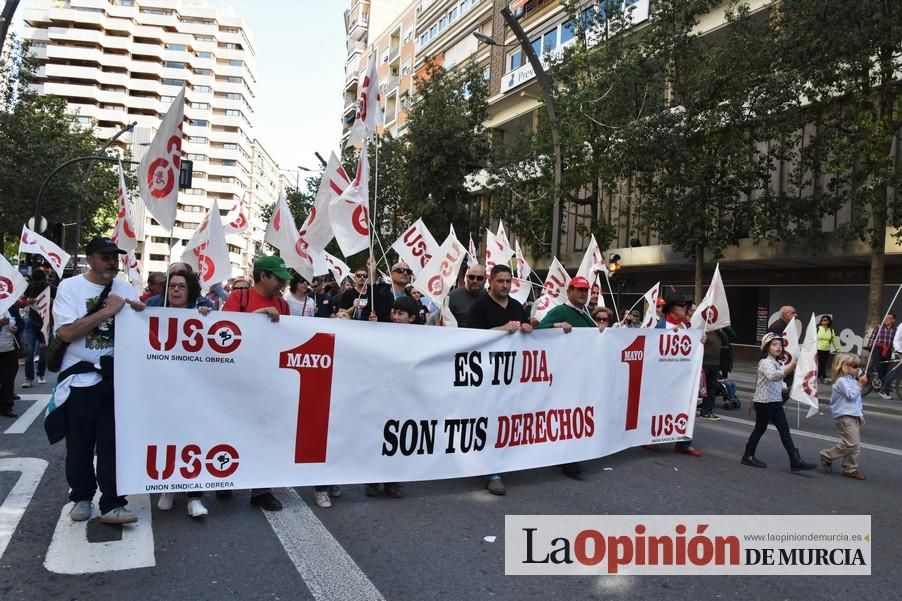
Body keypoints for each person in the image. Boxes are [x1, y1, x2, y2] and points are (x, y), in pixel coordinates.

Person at [52, 237, 145, 524]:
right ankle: (81, 497)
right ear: (90, 259)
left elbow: (138, 328)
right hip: (80, 379)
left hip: (115, 379)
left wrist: (141, 313)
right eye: (105, 257)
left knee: (112, 444)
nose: (112, 262)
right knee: (79, 443)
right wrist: (107, 311)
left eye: (115, 257)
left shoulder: (125, 287)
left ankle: (112, 502)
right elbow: (66, 333)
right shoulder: (70, 288)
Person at [220, 255, 292, 512]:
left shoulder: (283, 304)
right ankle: (223, 476)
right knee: (230, 428)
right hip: (237, 377)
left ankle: (261, 489)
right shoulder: (240, 298)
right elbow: (223, 329)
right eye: (278, 279)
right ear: (263, 276)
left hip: (269, 378)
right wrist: (257, 316)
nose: (282, 285)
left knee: (265, 432)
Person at [466, 264, 533, 495]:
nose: (505, 285)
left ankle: (505, 459)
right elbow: (470, 338)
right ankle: (491, 471)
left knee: (508, 419)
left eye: (508, 281)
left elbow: (527, 331)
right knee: (490, 420)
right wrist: (502, 328)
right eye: (500, 281)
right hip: (487, 376)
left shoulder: (516, 306)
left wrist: (527, 327)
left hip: (512, 376)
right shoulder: (480, 306)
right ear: (490, 282)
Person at [153, 270, 212, 518]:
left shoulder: (203, 314)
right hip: (161, 390)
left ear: (190, 292)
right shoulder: (151, 310)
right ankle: (167, 488)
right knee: (165, 440)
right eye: (172, 286)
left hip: (193, 391)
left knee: (193, 441)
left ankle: (194, 496)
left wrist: (207, 317)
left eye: (181, 287)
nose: (176, 290)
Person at [537, 276, 601, 479]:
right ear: (569, 291)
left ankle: (572, 453)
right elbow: (538, 333)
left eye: (586, 290)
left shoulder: (587, 315)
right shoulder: (560, 312)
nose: (583, 293)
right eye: (579, 290)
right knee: (566, 415)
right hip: (564, 375)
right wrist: (555, 327)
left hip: (582, 374)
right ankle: (565, 457)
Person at [364, 296, 422, 500]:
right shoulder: (383, 333)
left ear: (412, 317)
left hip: (405, 395)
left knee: (397, 437)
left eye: (401, 314)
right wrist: (372, 330)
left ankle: (393, 480)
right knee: (378, 434)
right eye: (394, 313)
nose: (396, 317)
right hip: (383, 393)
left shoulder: (423, 338)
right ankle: (372, 479)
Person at [741, 333, 817, 471]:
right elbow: (774, 376)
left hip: (775, 401)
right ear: (766, 347)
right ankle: (748, 456)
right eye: (774, 344)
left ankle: (795, 461)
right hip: (764, 402)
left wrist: (786, 389)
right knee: (760, 429)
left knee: (784, 430)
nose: (778, 347)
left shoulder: (777, 362)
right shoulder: (765, 362)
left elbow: (779, 381)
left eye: (780, 344)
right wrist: (792, 365)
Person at [654, 291, 703, 457]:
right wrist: (668, 335)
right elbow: (651, 348)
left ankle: (683, 443)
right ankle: (651, 437)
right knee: (658, 407)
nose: (684, 308)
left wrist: (700, 342)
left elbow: (693, 349)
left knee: (686, 407)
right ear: (671, 308)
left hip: (683, 377)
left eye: (685, 306)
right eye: (680, 305)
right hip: (663, 376)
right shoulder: (660, 325)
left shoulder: (688, 326)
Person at [819, 353, 867, 480]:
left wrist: (860, 413)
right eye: (855, 366)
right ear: (845, 366)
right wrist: (860, 384)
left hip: (853, 414)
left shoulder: (852, 380)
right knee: (851, 443)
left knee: (855, 445)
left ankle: (850, 467)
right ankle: (827, 455)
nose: (858, 368)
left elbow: (857, 400)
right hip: (844, 415)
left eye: (859, 366)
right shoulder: (841, 381)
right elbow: (851, 395)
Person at [21, 269, 50, 388]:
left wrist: (51, 301)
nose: (37, 284)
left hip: (45, 324)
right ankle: (29, 378)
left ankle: (41, 374)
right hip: (31, 323)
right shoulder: (29, 287)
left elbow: (60, 301)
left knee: (43, 353)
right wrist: (28, 301)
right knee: (29, 352)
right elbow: (21, 302)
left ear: (44, 279)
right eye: (35, 282)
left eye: (39, 282)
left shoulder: (50, 288)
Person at [699, 328, 728, 421]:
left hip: (715, 364)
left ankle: (707, 411)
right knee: (700, 388)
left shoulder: (719, 332)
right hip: (704, 363)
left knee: (711, 388)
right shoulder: (704, 330)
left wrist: (721, 331)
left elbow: (728, 338)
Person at [0, 308, 20, 417]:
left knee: (8, 377)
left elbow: (21, 323)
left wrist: (16, 329)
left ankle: (7, 407)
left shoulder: (10, 305)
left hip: (9, 348)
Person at [816, 315, 840, 383]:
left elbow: (834, 340)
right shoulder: (818, 328)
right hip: (818, 348)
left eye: (825, 320)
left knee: (824, 363)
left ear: (829, 321)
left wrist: (837, 349)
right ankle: (823, 376)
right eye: (823, 320)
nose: (823, 321)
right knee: (821, 363)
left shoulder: (831, 330)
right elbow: (812, 338)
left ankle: (820, 376)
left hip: (826, 349)